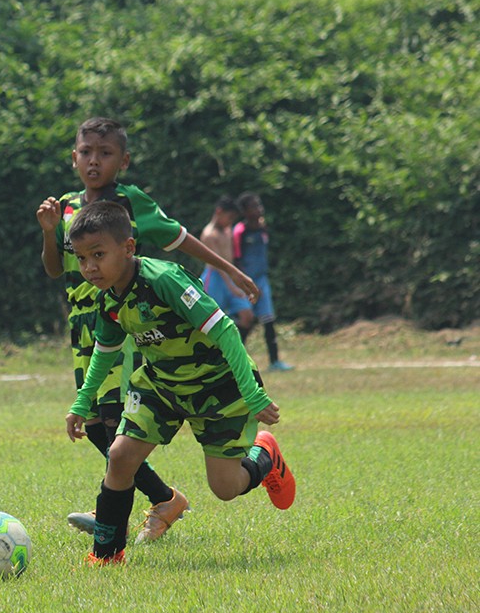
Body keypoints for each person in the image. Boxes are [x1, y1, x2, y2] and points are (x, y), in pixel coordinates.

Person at [37, 117, 259, 543]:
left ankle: (141, 503)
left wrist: (231, 273)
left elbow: (182, 239)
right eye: (86, 153)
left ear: (123, 160)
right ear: (73, 158)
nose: (94, 161)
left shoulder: (131, 202)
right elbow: (52, 269)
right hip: (86, 327)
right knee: (98, 426)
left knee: (116, 420)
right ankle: (158, 498)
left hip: (128, 321)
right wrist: (50, 233)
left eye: (105, 153)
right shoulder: (64, 207)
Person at [63, 201, 295, 566]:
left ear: (128, 248)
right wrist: (82, 403)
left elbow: (226, 330)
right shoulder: (108, 300)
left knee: (225, 488)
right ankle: (107, 555)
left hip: (219, 386)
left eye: (98, 255)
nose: (90, 267)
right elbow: (104, 353)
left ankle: (265, 455)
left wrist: (252, 393)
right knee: (120, 456)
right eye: (81, 258)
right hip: (161, 386)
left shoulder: (164, 280)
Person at [233, 192, 293, 371]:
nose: (259, 209)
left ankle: (274, 361)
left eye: (259, 205)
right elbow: (236, 259)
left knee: (268, 320)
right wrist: (245, 281)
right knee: (246, 320)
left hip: (262, 281)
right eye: (254, 206)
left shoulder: (263, 228)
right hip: (246, 283)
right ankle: (237, 358)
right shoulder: (239, 231)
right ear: (244, 211)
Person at [199, 195, 254, 335]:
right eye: (229, 217)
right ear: (219, 212)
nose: (231, 221)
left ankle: (238, 348)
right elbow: (217, 263)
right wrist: (232, 286)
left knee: (247, 316)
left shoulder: (228, 230)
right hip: (216, 278)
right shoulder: (209, 234)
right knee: (212, 319)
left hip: (230, 275)